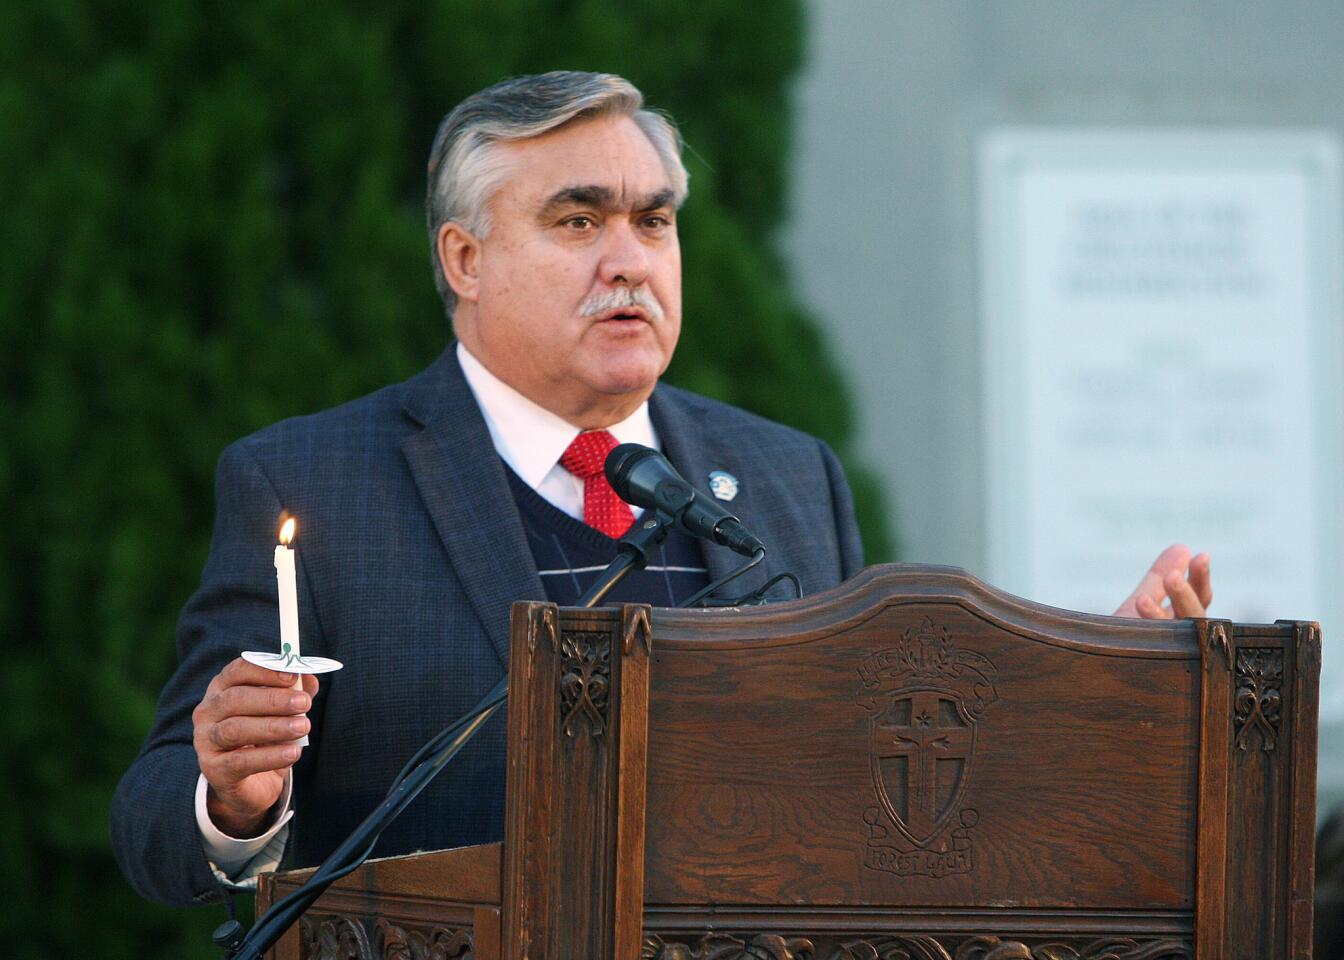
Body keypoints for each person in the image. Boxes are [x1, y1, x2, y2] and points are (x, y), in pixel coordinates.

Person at [110, 71, 1211, 907]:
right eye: (578, 221)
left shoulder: (786, 477)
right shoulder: (314, 482)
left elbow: (892, 772)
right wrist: (233, 798)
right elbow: (155, 822)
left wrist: (1090, 690)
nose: (629, 259)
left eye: (654, 220)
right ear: (464, 259)